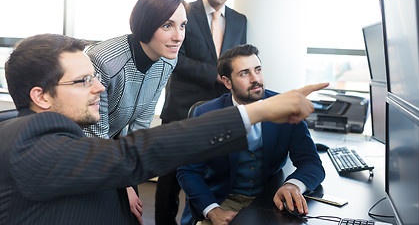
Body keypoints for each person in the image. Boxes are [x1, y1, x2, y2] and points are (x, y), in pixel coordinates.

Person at [0, 34, 328, 225]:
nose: (100, 87)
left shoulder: (67, 137)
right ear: (40, 96)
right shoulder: (25, 140)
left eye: (95, 77)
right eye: (84, 80)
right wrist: (259, 111)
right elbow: (132, 155)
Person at [177, 44, 326, 225]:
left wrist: (292, 185)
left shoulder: (287, 108)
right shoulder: (205, 114)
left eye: (258, 70)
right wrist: (213, 211)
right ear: (227, 82)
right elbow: (188, 171)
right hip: (220, 200)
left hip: (269, 199)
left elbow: (311, 162)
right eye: (244, 73)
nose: (256, 79)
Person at [82, 0, 187, 223]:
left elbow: (142, 120)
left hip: (114, 142)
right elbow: (94, 132)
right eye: (167, 25)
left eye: (183, 26)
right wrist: (122, 185)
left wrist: (130, 177)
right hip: (83, 146)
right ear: (145, 24)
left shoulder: (168, 59)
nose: (179, 36)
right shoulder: (105, 61)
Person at [157, 0, 247, 223]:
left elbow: (241, 58)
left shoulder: (239, 20)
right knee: (169, 178)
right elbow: (174, 56)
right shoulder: (186, 12)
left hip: (220, 110)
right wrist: (215, 74)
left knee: (206, 173)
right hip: (181, 108)